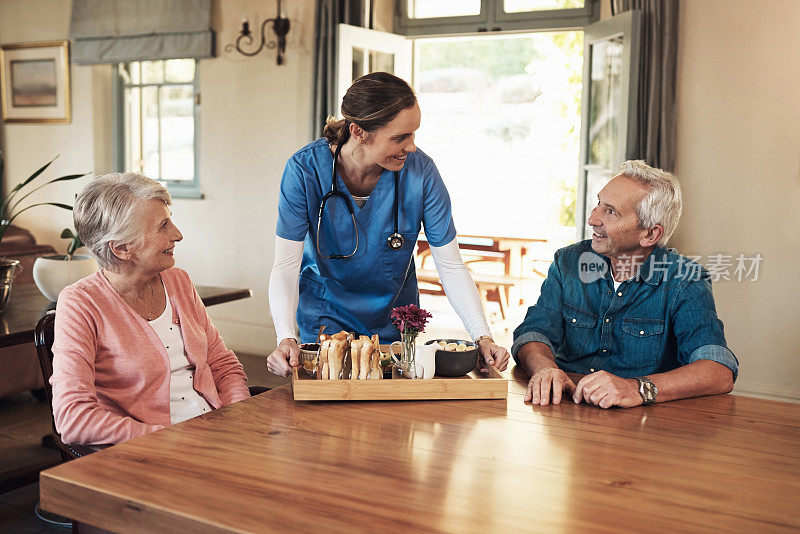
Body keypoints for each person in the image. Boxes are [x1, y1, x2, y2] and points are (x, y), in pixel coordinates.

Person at [266, 72, 510, 377]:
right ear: (358, 132)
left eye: (413, 134)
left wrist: (482, 335)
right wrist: (285, 336)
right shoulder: (304, 170)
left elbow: (450, 266)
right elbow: (285, 266)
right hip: (326, 322)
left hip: (394, 325)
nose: (411, 146)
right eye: (400, 137)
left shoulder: (421, 173)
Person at [512, 160, 738, 408]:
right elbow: (533, 332)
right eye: (598, 204)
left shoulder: (686, 279)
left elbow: (718, 371)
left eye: (611, 211)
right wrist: (545, 368)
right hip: (561, 410)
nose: (592, 219)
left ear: (650, 234)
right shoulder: (569, 261)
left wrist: (637, 388)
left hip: (641, 426)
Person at [51, 173, 250, 446]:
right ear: (122, 248)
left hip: (217, 436)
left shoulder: (178, 280)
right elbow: (74, 419)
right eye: (163, 226)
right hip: (150, 453)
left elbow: (223, 366)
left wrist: (239, 419)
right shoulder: (81, 303)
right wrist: (171, 439)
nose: (178, 235)